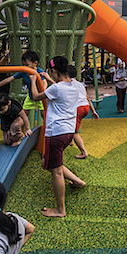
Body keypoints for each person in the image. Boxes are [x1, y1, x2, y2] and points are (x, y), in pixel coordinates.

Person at [30, 56, 86, 218]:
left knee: (56, 171)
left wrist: (34, 80)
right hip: (68, 132)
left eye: (51, 72)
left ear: (54, 71)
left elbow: (35, 96)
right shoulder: (76, 85)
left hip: (56, 132)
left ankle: (60, 209)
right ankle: (77, 181)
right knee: (45, 162)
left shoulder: (56, 89)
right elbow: (58, 89)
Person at [0, 51, 45, 125]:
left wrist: (43, 91)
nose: (24, 67)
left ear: (35, 63)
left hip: (40, 96)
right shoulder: (23, 71)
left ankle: (48, 133)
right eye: (23, 65)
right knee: (22, 117)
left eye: (27, 65)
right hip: (31, 96)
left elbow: (44, 83)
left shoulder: (39, 71)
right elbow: (8, 79)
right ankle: (23, 133)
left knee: (44, 115)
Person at [67, 65, 99, 159]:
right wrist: (93, 111)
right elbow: (88, 98)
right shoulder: (80, 84)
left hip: (78, 108)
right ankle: (71, 141)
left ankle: (83, 152)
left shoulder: (68, 84)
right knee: (72, 123)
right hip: (85, 107)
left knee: (75, 132)